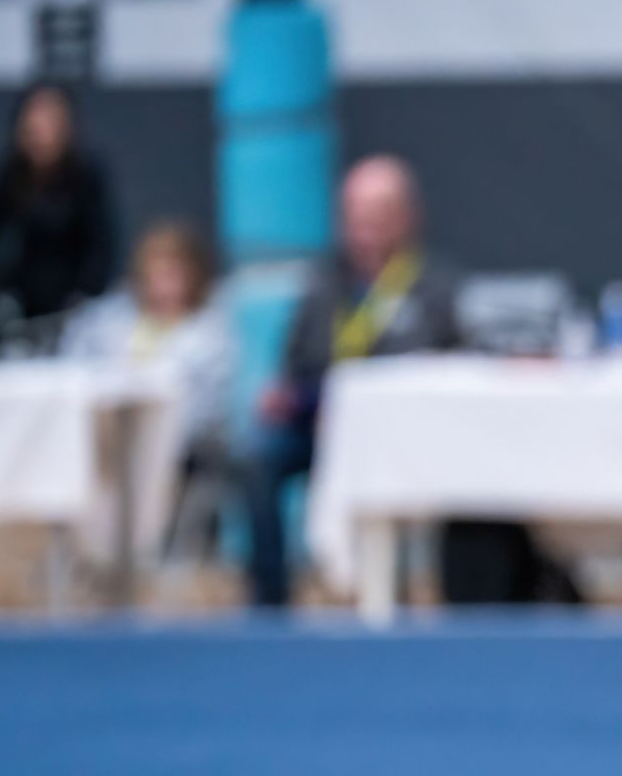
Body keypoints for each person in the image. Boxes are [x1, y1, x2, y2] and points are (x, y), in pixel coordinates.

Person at [240, 155, 460, 607]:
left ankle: (398, 594)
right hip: (318, 424)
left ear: (407, 218)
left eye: (379, 215)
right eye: (357, 216)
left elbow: (445, 368)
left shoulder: (434, 287)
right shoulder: (324, 282)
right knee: (256, 455)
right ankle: (270, 603)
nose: (366, 228)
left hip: (402, 435)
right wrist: (287, 397)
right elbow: (296, 360)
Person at [62, 220, 234, 459]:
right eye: (156, 276)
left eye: (173, 275)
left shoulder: (211, 329)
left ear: (194, 276)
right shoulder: (113, 319)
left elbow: (209, 409)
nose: (164, 286)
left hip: (181, 447)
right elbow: (79, 366)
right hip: (112, 433)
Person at [0, 82, 119, 336]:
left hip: (74, 301)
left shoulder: (87, 173)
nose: (42, 130)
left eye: (51, 121)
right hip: (21, 297)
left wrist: (85, 295)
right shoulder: (8, 174)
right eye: (34, 122)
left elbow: (102, 243)